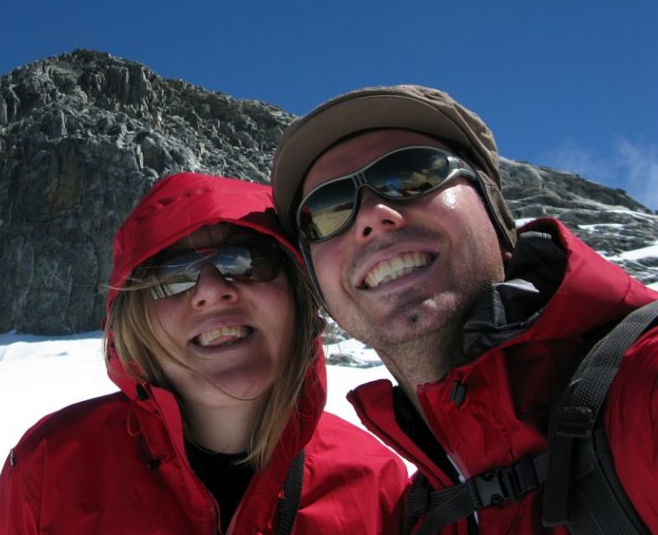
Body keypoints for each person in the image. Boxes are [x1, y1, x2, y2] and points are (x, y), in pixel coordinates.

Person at [270, 84, 658, 534]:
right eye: (327, 211)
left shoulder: (642, 389)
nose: (373, 215)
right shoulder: (422, 512)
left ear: (496, 211)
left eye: (413, 174)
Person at [0, 171, 409, 534]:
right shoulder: (52, 466)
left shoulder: (377, 485)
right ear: (135, 321)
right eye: (171, 276)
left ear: (297, 293)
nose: (211, 290)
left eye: (245, 260)